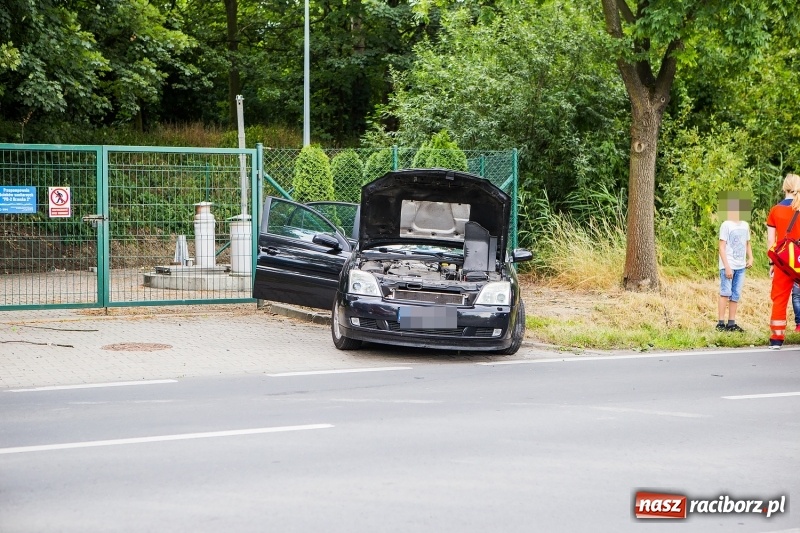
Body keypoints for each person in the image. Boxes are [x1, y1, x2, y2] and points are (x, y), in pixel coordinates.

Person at [766, 173, 800, 349]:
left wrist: (772, 264)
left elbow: (771, 242)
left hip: (783, 262)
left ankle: (776, 338)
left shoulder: (775, 210)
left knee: (779, 298)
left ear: (784, 187)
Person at [717, 192, 754, 332]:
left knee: (735, 294)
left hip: (740, 265)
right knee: (725, 292)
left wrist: (750, 258)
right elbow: (721, 246)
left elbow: (747, 243)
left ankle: (731, 323)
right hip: (729, 264)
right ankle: (720, 323)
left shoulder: (745, 225)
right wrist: (726, 266)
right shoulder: (726, 225)